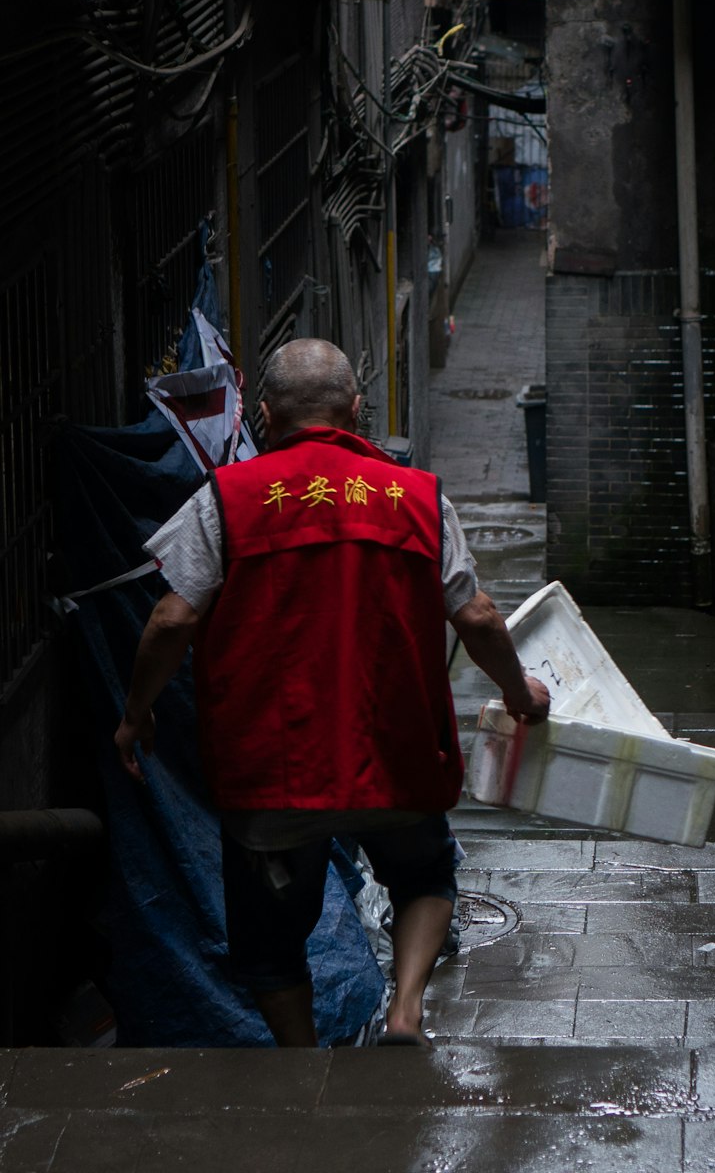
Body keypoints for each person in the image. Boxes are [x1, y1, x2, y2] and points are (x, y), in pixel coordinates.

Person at [114, 338, 549, 1048]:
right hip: (396, 754)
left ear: (263, 416)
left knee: (268, 939)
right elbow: (476, 616)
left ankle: (299, 1059)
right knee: (425, 874)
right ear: (355, 410)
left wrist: (136, 714)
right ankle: (407, 1010)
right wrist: (519, 693)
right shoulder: (418, 498)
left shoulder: (228, 500)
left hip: (274, 768)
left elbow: (171, 618)